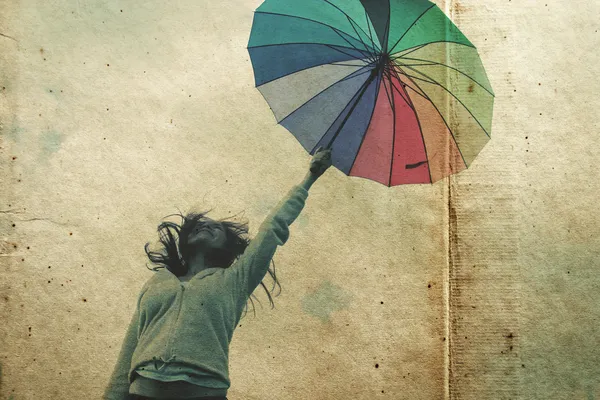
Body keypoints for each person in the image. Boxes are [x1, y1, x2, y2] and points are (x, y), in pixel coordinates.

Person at [103, 147, 333, 400]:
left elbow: (271, 229)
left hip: (205, 393)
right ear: (185, 242)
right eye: (200, 225)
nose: (207, 226)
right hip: (143, 391)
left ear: (227, 246)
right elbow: (129, 348)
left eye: (216, 228)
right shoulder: (157, 283)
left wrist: (310, 177)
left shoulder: (235, 280)